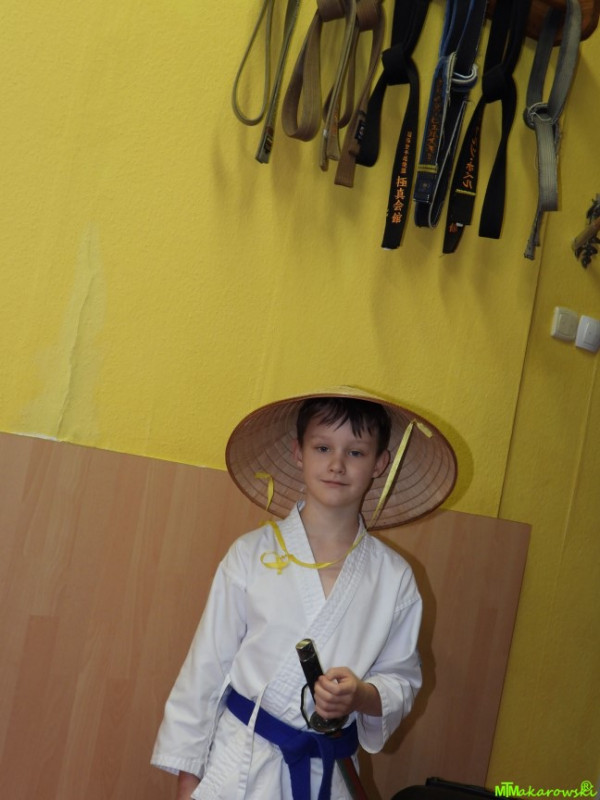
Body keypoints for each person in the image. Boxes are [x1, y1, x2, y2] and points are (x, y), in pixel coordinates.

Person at [151, 388, 457, 800]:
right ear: (299, 453)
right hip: (240, 766)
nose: (336, 464)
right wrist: (188, 777)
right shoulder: (251, 554)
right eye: (323, 447)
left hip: (326, 776)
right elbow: (205, 667)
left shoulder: (393, 577)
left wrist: (360, 695)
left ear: (380, 463)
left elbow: (400, 679)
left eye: (356, 452)